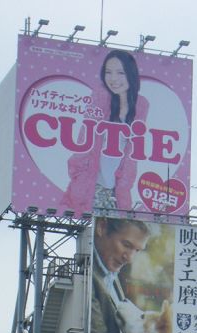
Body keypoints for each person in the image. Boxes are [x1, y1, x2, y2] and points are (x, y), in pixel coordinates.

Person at [62, 50, 147, 213]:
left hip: (117, 195)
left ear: (131, 74)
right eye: (108, 72)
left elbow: (132, 158)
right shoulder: (101, 98)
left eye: (120, 73)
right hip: (93, 188)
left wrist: (123, 189)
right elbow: (83, 145)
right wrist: (80, 180)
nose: (113, 79)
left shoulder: (141, 105)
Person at [89, 217, 151, 333]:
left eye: (137, 250)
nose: (130, 258)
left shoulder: (110, 274)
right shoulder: (85, 275)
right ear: (101, 227)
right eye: (126, 245)